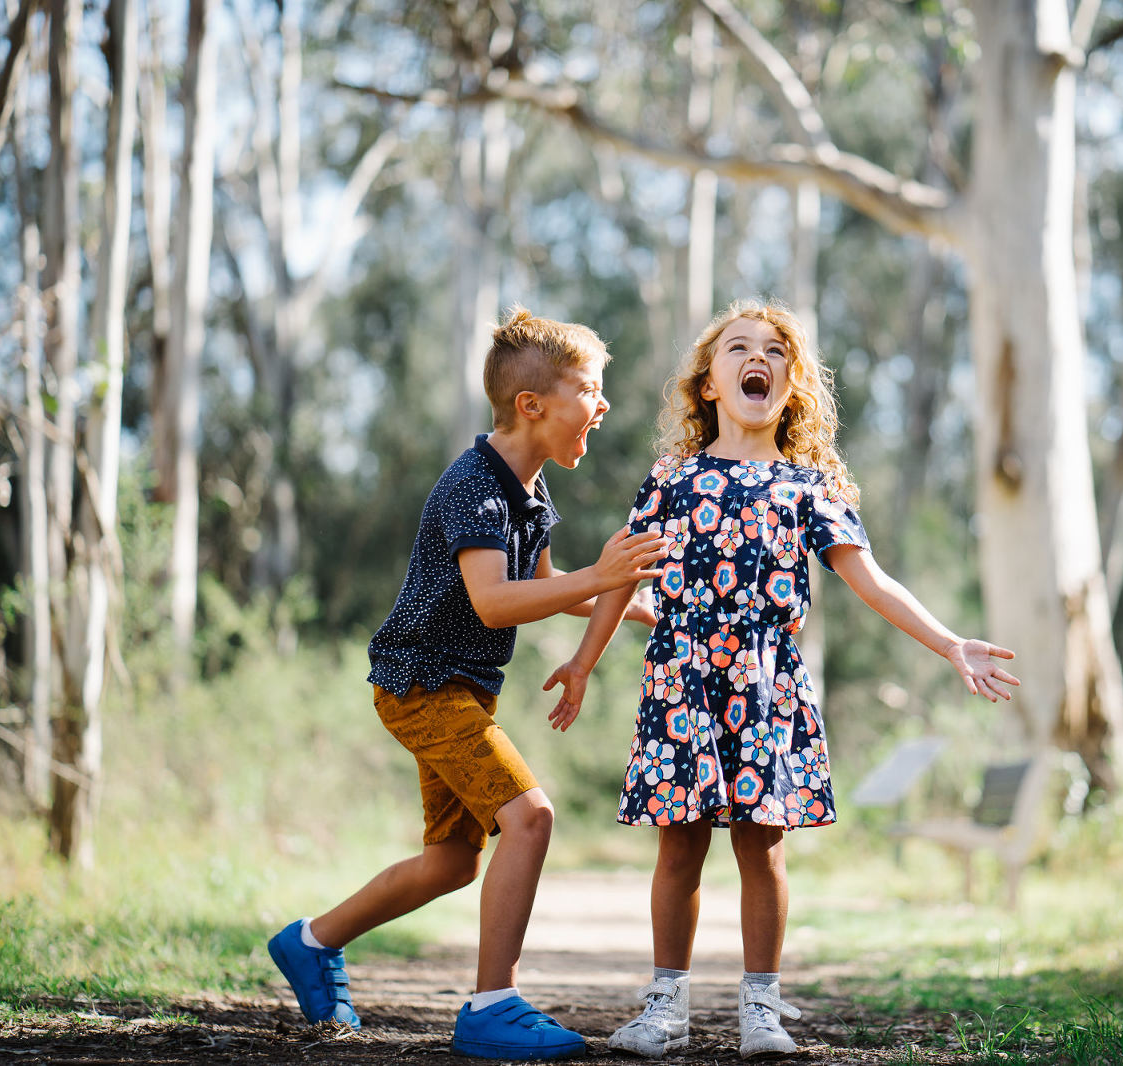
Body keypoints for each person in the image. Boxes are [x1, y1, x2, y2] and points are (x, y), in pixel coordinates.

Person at [543, 300, 1021, 1060]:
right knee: (680, 846)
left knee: (763, 849)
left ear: (791, 384)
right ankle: (666, 1003)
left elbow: (874, 582)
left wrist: (950, 643)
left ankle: (760, 1007)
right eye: (736, 348)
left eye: (772, 350)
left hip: (766, 685)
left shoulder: (810, 487)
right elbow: (618, 579)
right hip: (682, 680)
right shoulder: (672, 477)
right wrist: (581, 664)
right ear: (709, 384)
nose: (754, 357)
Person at [267, 307, 668, 1062]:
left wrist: (634, 601)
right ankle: (491, 1005)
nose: (604, 405)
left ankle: (312, 941)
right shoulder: (475, 486)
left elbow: (543, 585)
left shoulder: (531, 493)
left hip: (459, 688)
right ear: (532, 405)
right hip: (423, 685)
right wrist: (598, 573)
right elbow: (492, 598)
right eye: (591, 389)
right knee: (531, 818)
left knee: (453, 861)